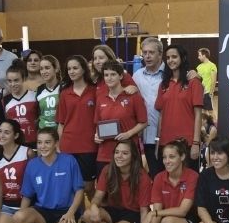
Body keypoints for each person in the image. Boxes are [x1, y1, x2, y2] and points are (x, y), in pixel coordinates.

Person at [13, 128, 84, 223]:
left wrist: (71, 213)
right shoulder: (32, 165)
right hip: (43, 211)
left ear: (56, 143)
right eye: (39, 143)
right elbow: (27, 196)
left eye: (47, 142)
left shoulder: (69, 161)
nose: (43, 146)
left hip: (66, 210)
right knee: (18, 217)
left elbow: (79, 191)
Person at [138, 138, 200, 223]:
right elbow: (157, 211)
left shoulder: (193, 176)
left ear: (182, 157)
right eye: (164, 157)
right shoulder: (159, 178)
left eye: (171, 157)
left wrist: (154, 213)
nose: (167, 161)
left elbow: (182, 211)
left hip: (186, 222)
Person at [85, 140, 152, 223]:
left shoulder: (142, 177)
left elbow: (144, 211)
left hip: (134, 213)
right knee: (87, 214)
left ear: (133, 156)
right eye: (117, 152)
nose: (119, 156)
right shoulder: (108, 170)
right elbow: (97, 197)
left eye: (125, 153)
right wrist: (94, 206)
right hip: (114, 210)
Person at [93, 60, 147, 174]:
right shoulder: (101, 99)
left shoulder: (133, 96)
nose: (109, 78)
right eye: (106, 75)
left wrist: (128, 134)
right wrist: (97, 136)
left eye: (113, 74)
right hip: (105, 155)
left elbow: (144, 122)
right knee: (105, 190)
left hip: (128, 153)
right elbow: (97, 124)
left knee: (130, 189)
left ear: (121, 76)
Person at [57, 55, 98, 202]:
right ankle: (79, 220)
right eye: (69, 69)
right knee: (73, 187)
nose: (72, 71)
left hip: (89, 146)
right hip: (68, 145)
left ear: (83, 69)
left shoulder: (95, 91)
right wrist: (59, 145)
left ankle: (94, 217)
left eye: (75, 68)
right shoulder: (64, 94)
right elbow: (61, 123)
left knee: (88, 186)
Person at [155, 44, 203, 170]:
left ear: (183, 58)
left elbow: (198, 114)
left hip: (186, 143)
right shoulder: (163, 85)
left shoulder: (193, 82)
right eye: (168, 57)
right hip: (166, 143)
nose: (171, 60)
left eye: (174, 57)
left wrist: (196, 143)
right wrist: (157, 142)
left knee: (189, 184)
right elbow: (161, 115)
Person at [0, 119, 35, 223]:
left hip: (26, 207)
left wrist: (20, 219)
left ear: (16, 135)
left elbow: (33, 187)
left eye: (7, 132)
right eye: (0, 131)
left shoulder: (27, 153)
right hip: (8, 207)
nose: (2, 135)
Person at [133, 37, 166, 177]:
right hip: (147, 137)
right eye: (144, 52)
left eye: (151, 52)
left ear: (160, 54)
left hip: (168, 135)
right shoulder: (137, 76)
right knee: (155, 175)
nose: (147, 56)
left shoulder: (171, 74)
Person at [3, 59, 39, 147]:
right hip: (15, 144)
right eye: (9, 81)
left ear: (24, 79)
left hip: (35, 142)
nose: (13, 84)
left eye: (16, 80)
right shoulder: (5, 100)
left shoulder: (35, 96)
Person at [36, 55, 62, 133]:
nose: (44, 72)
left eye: (47, 68)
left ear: (56, 69)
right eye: (41, 69)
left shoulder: (64, 87)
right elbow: (38, 113)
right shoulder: (40, 89)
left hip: (59, 132)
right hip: (43, 132)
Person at [196, 47, 217, 118]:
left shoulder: (212, 66)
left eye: (199, 55)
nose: (198, 57)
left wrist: (211, 92)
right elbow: (198, 79)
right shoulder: (199, 67)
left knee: (211, 111)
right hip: (201, 93)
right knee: (204, 111)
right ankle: (206, 127)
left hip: (208, 92)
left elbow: (214, 80)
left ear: (204, 55)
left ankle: (215, 126)